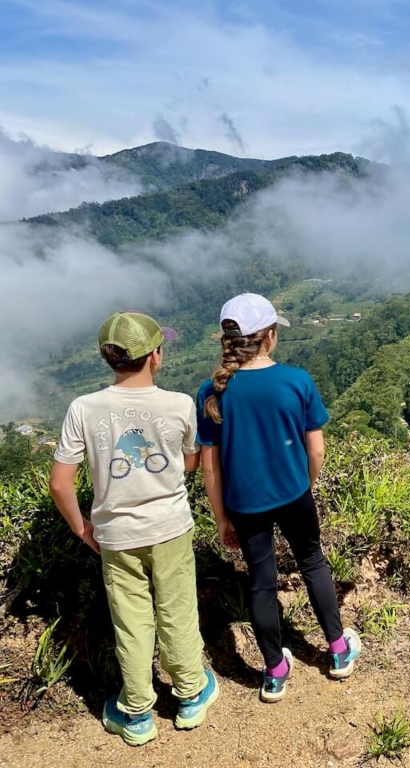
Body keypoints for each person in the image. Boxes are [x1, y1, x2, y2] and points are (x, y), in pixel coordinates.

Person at [49, 311, 218, 747]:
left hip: (116, 536)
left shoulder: (82, 409)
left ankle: (137, 711)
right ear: (156, 356)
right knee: (178, 610)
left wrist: (82, 528)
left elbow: (59, 482)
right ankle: (190, 695)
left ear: (108, 358)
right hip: (170, 528)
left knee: (131, 622)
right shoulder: (180, 404)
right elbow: (191, 463)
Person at [196, 293, 360, 703]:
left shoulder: (211, 392)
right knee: (312, 562)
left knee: (261, 582)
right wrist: (304, 483)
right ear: (269, 337)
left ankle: (274, 670)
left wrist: (222, 519)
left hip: (244, 502)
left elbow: (209, 467)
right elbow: (316, 450)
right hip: (294, 494)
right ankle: (338, 651)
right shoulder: (296, 380)